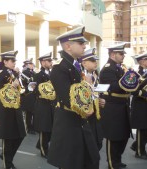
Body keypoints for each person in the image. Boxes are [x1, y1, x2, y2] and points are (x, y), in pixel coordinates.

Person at [47, 26, 100, 169]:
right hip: (68, 123)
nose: (84, 46)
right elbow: (69, 98)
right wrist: (88, 87)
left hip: (80, 121)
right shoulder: (59, 68)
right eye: (81, 43)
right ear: (68, 46)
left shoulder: (76, 65)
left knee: (91, 160)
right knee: (71, 163)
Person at [100, 43, 137, 169]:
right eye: (121, 54)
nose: (123, 56)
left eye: (123, 54)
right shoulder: (107, 69)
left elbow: (128, 87)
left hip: (123, 105)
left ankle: (118, 159)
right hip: (113, 106)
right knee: (114, 136)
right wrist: (128, 80)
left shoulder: (120, 68)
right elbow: (114, 86)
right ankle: (112, 162)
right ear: (112, 54)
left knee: (123, 135)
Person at [0, 50, 26, 169]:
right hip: (6, 110)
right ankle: (7, 164)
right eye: (12, 61)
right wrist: (11, 86)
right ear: (5, 61)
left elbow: (19, 87)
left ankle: (6, 156)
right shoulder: (0, 74)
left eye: (14, 61)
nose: (14, 63)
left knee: (20, 135)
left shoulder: (12, 73)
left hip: (16, 108)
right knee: (8, 138)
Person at [80, 48, 105, 151]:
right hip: (84, 116)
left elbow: (99, 92)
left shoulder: (96, 75)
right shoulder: (79, 76)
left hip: (96, 115)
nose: (96, 63)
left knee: (97, 144)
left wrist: (102, 100)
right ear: (84, 63)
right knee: (86, 147)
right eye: (93, 61)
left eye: (96, 61)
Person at [33, 52, 55, 158]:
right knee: (44, 128)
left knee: (51, 128)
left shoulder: (51, 73)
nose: (51, 62)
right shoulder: (38, 75)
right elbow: (35, 90)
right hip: (42, 103)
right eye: (49, 61)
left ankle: (40, 144)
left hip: (51, 104)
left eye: (51, 60)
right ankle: (43, 150)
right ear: (42, 62)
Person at [130, 51, 147, 160]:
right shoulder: (137, 74)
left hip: (146, 105)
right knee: (143, 129)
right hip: (141, 105)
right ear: (142, 61)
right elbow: (133, 90)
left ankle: (136, 145)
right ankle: (139, 151)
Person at [21, 58, 36, 134]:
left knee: (32, 112)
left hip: (32, 95)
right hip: (27, 95)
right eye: (30, 64)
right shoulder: (24, 72)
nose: (32, 65)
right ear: (27, 65)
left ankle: (32, 127)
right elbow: (23, 84)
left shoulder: (33, 72)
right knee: (28, 113)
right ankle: (29, 127)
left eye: (32, 64)